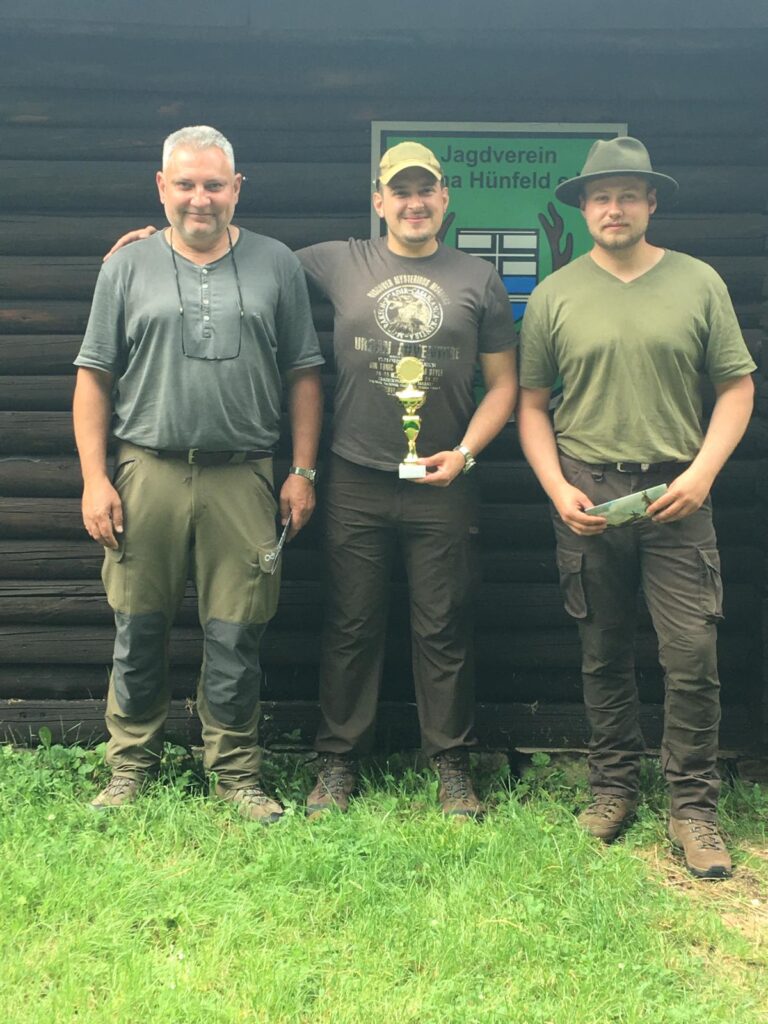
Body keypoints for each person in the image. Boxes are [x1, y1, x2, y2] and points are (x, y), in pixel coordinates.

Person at [104, 141, 518, 820]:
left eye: (426, 192)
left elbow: (503, 384)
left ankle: (450, 765)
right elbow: (233, 256)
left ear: (445, 198)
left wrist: (467, 453)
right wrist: (153, 248)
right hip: (355, 473)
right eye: (399, 192)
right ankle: (337, 763)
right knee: (351, 623)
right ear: (379, 200)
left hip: (444, 480)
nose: (413, 204)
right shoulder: (334, 260)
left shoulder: (480, 278)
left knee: (444, 624)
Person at [516, 136, 755, 877]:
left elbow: (737, 389)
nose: (612, 208)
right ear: (583, 208)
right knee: (602, 652)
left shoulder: (698, 281)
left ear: (652, 203)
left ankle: (694, 810)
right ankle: (612, 789)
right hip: (589, 488)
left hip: (678, 493)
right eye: (599, 196)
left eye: (627, 194)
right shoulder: (556, 294)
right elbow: (530, 406)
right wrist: (559, 489)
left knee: (691, 657)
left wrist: (705, 474)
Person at [73, 125, 323, 823]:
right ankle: (129, 767)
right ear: (162, 187)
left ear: (236, 189)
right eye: (185, 184)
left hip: (242, 477)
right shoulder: (126, 267)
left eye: (215, 184)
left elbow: (303, 372)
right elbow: (94, 377)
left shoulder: (277, 264)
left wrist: (301, 468)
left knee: (238, 630)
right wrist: (96, 478)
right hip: (144, 471)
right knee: (138, 626)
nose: (200, 198)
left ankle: (237, 773)